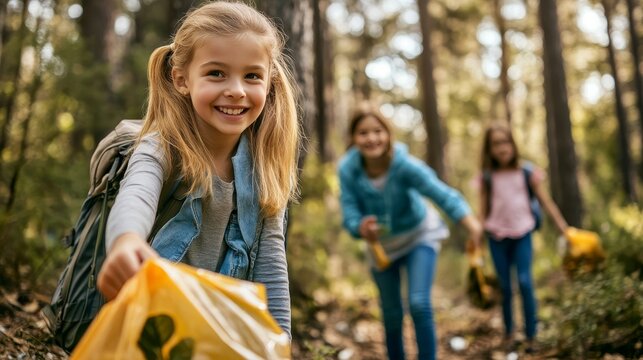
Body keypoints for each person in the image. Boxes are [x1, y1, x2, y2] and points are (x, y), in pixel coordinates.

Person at [96, 1, 299, 337]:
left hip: (212, 333)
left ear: (270, 82)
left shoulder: (264, 167)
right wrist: (126, 241)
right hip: (147, 326)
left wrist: (279, 342)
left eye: (252, 76)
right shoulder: (162, 146)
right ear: (181, 80)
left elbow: (271, 267)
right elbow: (137, 194)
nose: (236, 90)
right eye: (216, 73)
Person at [337, 106, 483, 360]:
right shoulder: (347, 170)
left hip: (419, 235)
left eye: (377, 131)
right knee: (392, 314)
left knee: (418, 303)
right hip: (381, 247)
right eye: (363, 133)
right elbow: (349, 211)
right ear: (353, 138)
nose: (371, 138)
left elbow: (440, 192)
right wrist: (359, 227)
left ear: (388, 134)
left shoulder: (403, 165)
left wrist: (471, 224)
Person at [478, 123, 569, 352]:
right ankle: (509, 333)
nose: (502, 148)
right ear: (489, 149)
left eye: (505, 142)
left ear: (513, 144)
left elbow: (546, 202)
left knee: (525, 282)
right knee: (505, 287)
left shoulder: (527, 172)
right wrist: (476, 240)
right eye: (496, 144)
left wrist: (564, 229)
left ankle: (531, 336)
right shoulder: (487, 177)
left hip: (522, 233)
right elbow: (481, 211)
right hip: (496, 236)